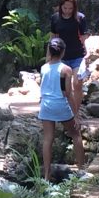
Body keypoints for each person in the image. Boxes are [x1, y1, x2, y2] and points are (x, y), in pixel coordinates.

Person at [37, 37, 85, 181]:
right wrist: (75, 114)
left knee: (48, 139)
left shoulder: (43, 68)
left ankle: (46, 175)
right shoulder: (66, 69)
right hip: (60, 104)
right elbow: (68, 93)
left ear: (50, 51)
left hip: (46, 106)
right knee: (75, 134)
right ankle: (82, 170)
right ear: (63, 51)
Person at [49, 0, 90, 116]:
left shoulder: (80, 18)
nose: (67, 11)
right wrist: (49, 57)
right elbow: (53, 38)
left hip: (78, 55)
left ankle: (75, 113)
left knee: (77, 83)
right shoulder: (55, 18)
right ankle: (63, 111)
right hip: (61, 56)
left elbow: (84, 36)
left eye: (70, 8)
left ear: (74, 7)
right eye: (65, 8)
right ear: (61, 6)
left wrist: (87, 50)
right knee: (62, 86)